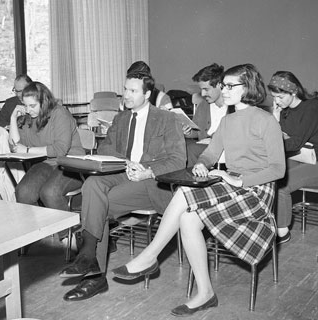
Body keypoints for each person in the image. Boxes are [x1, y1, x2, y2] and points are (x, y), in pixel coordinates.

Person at [111, 64, 285, 316]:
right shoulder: (228, 121)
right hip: (232, 186)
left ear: (247, 88)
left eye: (229, 86)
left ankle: (150, 256)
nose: (223, 90)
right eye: (223, 85)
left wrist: (240, 180)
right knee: (188, 218)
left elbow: (278, 169)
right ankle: (205, 293)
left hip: (257, 192)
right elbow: (210, 153)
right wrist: (203, 164)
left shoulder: (266, 120)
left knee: (183, 193)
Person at [59, 71, 186, 301]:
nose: (126, 95)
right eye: (125, 89)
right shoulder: (121, 118)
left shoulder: (167, 119)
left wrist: (148, 171)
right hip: (123, 172)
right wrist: (127, 163)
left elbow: (178, 160)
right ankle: (89, 255)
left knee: (98, 205)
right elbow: (105, 148)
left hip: (151, 182)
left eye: (133, 91)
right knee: (92, 185)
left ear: (147, 94)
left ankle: (93, 275)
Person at [8, 81, 84, 212]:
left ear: (44, 102)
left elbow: (60, 149)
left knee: (49, 193)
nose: (28, 110)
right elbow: (15, 146)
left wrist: (27, 150)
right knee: (23, 192)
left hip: (71, 162)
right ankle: (39, 229)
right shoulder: (29, 117)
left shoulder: (60, 113)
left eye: (32, 105)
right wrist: (13, 118)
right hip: (46, 163)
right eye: (25, 106)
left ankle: (64, 231)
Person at [268, 71, 318, 244]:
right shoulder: (284, 110)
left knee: (281, 185)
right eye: (274, 97)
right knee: (269, 175)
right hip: (301, 157)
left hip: (315, 160)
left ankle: (282, 232)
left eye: (280, 97)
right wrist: (276, 117)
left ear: (293, 92)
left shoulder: (311, 107)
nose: (277, 102)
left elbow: (294, 143)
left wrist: (273, 134)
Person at [184, 63, 234, 166]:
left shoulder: (233, 107)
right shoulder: (204, 105)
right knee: (180, 146)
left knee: (191, 149)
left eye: (206, 89)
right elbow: (197, 132)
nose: (202, 94)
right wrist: (188, 132)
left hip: (224, 148)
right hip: (203, 147)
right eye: (201, 89)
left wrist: (213, 140)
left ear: (220, 85)